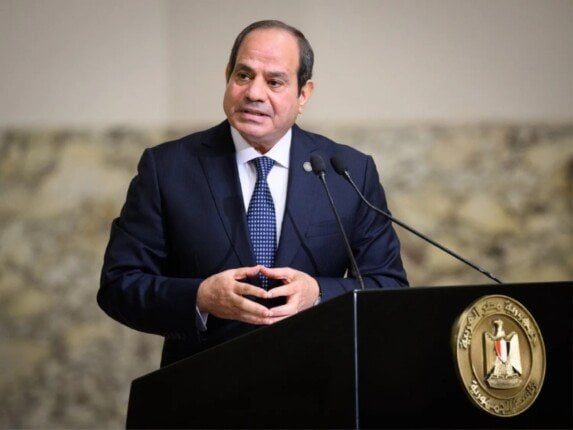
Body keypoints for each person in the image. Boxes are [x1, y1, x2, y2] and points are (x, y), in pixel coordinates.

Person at [98, 20, 408, 367]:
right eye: (243, 75)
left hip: (318, 383)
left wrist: (318, 293)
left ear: (303, 94)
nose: (254, 93)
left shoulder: (347, 172)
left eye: (274, 82)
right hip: (202, 385)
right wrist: (201, 297)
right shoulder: (168, 168)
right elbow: (120, 285)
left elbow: (389, 285)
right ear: (227, 76)